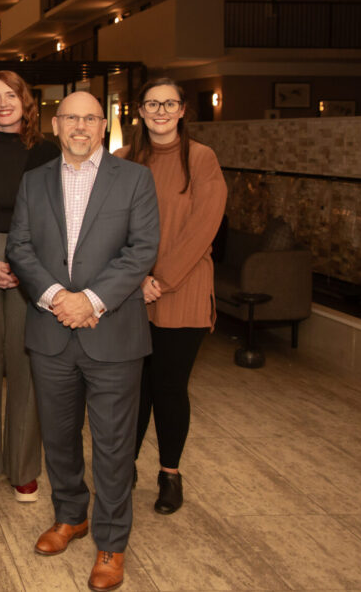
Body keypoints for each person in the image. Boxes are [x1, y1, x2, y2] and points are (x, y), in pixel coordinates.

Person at [6, 90, 159, 592]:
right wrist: (56, 298)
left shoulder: (134, 179)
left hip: (112, 332)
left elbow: (141, 251)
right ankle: (71, 517)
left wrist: (90, 300)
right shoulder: (33, 182)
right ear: (55, 124)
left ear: (104, 125)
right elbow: (21, 248)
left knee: (114, 446)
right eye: (71, 117)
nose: (80, 126)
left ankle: (112, 543)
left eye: (90, 118)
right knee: (59, 437)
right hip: (50, 331)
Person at [118, 78, 227, 514]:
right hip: (132, 293)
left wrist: (159, 279)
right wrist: (136, 279)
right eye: (151, 104)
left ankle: (170, 474)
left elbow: (204, 226)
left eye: (169, 103)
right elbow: (113, 227)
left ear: (182, 110)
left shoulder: (202, 159)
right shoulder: (126, 160)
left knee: (169, 387)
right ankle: (123, 465)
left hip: (183, 291)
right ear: (140, 112)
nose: (160, 111)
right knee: (133, 388)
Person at [0, 70, 60, 503]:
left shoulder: (47, 152)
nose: (2, 104)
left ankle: (23, 469)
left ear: (26, 100)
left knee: (25, 366)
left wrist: (24, 261)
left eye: (10, 95)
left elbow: (56, 215)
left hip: (33, 261)